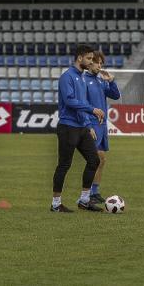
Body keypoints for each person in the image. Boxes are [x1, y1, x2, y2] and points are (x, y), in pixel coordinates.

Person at [51, 44, 105, 213]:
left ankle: (84, 200)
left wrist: (88, 125)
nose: (91, 62)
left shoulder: (81, 77)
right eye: (89, 58)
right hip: (68, 127)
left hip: (81, 127)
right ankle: (55, 204)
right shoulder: (67, 76)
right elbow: (70, 101)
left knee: (94, 160)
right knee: (64, 164)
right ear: (80, 58)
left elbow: (81, 104)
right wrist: (92, 109)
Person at [84, 50, 120, 203]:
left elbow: (116, 96)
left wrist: (111, 81)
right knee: (95, 159)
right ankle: (87, 195)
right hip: (92, 125)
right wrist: (87, 124)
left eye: (101, 63)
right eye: (97, 62)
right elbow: (82, 104)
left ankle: (94, 192)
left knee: (102, 159)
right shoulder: (84, 80)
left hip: (102, 125)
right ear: (89, 63)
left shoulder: (101, 80)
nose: (99, 65)